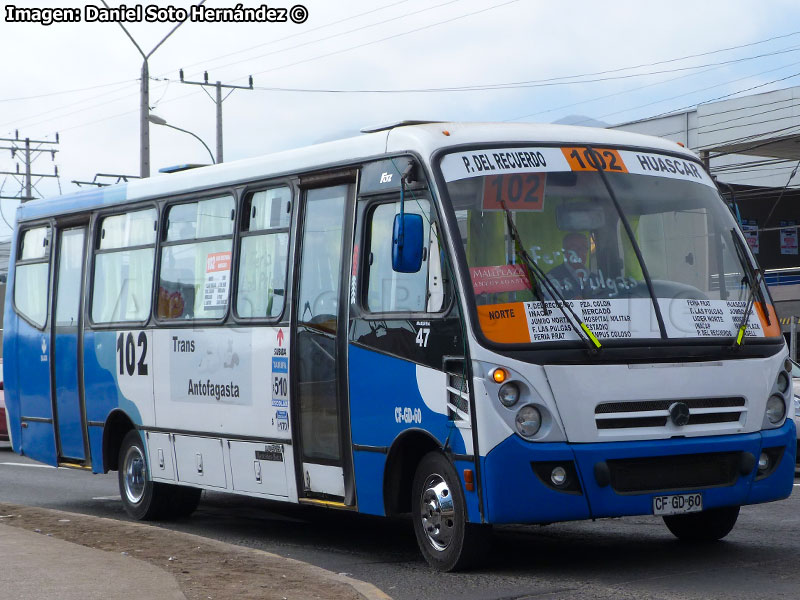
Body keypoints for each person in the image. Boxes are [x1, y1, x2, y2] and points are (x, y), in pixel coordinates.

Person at [546, 232, 590, 297]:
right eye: (574, 248)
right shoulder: (551, 278)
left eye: (583, 248)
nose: (580, 252)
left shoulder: (597, 278)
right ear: (565, 252)